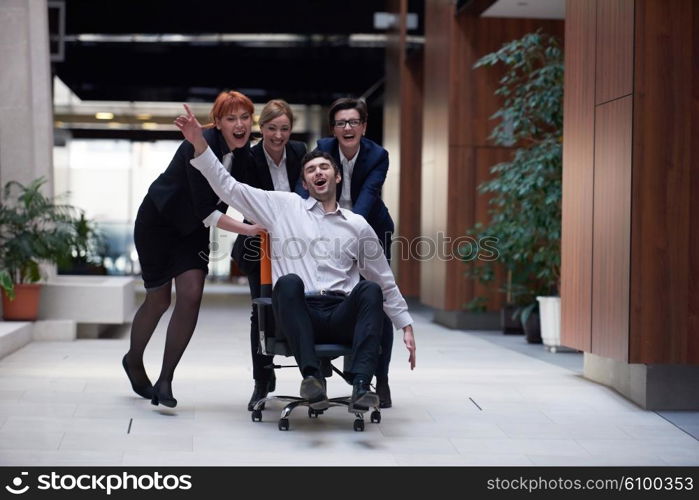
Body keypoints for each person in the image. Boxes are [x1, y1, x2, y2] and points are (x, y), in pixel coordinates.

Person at [175, 104, 416, 410]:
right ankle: (312, 378)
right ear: (304, 184)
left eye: (325, 168)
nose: (318, 172)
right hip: (300, 314)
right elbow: (228, 187)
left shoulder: (357, 225)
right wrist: (199, 142)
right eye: (311, 169)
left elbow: (384, 278)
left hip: (342, 312)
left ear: (337, 178)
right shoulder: (284, 207)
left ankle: (361, 386)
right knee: (287, 283)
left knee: (371, 288)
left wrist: (405, 325)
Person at [122, 91, 263, 408]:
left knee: (191, 295)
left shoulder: (243, 154)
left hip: (193, 231)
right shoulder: (197, 143)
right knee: (158, 299)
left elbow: (250, 195)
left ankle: (165, 379)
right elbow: (207, 211)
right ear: (218, 122)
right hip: (159, 223)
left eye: (244, 117)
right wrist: (249, 228)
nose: (239, 125)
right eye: (231, 118)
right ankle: (133, 360)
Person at [297, 97, 396, 408]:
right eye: (341, 123)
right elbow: (307, 189)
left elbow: (367, 197)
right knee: (328, 289)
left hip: (368, 228)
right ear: (333, 128)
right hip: (327, 227)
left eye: (354, 122)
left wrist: (349, 232)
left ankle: (379, 379)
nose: (347, 128)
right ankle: (321, 370)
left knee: (376, 299)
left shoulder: (379, 155)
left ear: (364, 126)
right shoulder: (323, 147)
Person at [230, 99, 307, 411]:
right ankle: (262, 380)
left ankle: (312, 373)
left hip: (297, 246)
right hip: (258, 243)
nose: (278, 135)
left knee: (305, 304)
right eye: (272, 128)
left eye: (285, 128)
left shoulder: (301, 152)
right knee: (261, 312)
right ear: (262, 129)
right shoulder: (247, 157)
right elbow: (247, 202)